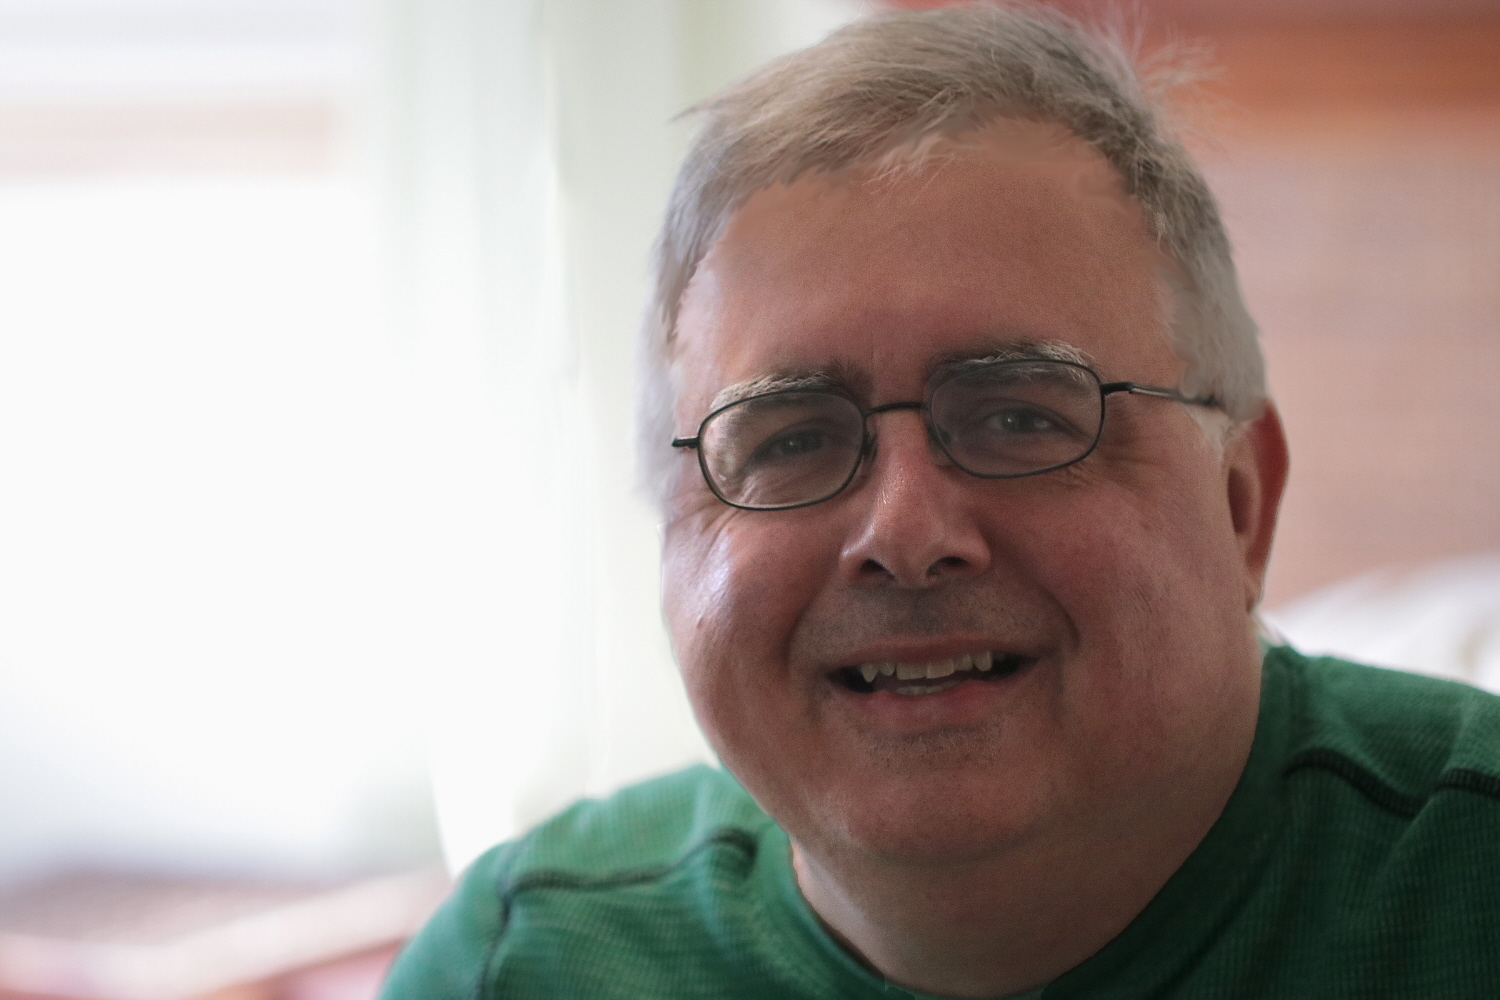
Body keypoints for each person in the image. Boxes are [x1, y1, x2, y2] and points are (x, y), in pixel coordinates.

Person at [380, 3, 1500, 997]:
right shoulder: (519, 965)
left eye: (1021, 417)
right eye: (792, 439)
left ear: (1243, 502)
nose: (906, 533)